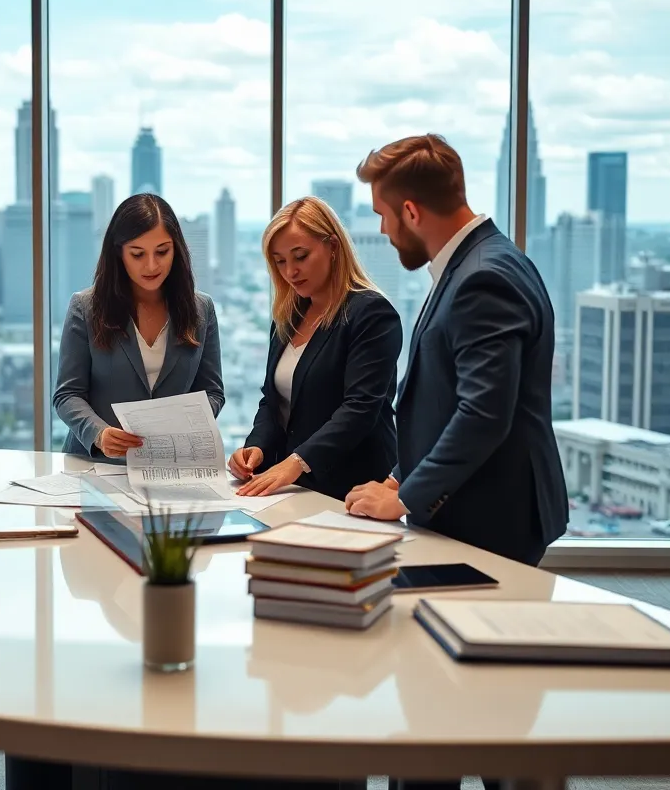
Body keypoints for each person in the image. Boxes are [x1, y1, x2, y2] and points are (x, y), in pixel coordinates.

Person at [342, 134, 569, 790]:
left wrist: (406, 498)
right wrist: (399, 474)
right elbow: (455, 398)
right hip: (478, 507)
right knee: (474, 708)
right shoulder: (486, 260)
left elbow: (484, 414)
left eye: (384, 215)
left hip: (489, 518)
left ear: (412, 211)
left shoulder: (484, 277)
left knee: (459, 712)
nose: (382, 229)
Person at [229, 197, 401, 500]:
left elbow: (360, 409)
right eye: (280, 261)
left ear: (333, 246)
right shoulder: (288, 315)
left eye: (301, 256)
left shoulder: (371, 313)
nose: (290, 271)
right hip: (293, 488)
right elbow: (273, 401)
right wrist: (255, 447)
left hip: (353, 489)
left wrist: (296, 462)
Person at [54, 193, 224, 460]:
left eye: (162, 251)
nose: (151, 265)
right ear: (119, 253)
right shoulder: (85, 307)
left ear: (176, 250)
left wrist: (180, 421)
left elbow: (213, 392)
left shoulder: (202, 309)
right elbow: (67, 394)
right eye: (137, 254)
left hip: (171, 465)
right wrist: (98, 433)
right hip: (96, 463)